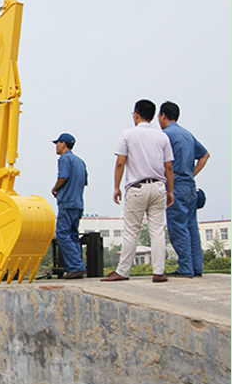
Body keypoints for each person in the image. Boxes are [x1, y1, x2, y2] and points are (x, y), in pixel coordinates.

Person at [103, 99, 174, 283]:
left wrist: (116, 187)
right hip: (158, 186)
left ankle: (123, 271)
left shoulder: (127, 135)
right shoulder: (162, 137)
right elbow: (168, 167)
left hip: (137, 188)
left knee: (131, 231)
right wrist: (170, 191)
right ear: (153, 116)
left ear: (136, 115)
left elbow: (120, 162)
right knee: (157, 230)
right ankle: (159, 272)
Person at [158, 101, 210, 278]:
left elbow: (165, 165)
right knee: (191, 227)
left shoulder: (166, 136)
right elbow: (205, 155)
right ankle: (196, 267)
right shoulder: (187, 134)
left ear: (163, 116)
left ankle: (185, 268)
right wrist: (192, 174)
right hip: (189, 185)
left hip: (176, 185)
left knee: (178, 227)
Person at [51, 133, 88, 279]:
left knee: (62, 234)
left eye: (58, 143)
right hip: (78, 203)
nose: (56, 146)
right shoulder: (80, 161)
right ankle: (77, 266)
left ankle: (76, 266)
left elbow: (63, 177)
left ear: (64, 144)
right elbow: (83, 182)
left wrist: (55, 189)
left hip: (67, 203)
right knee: (73, 235)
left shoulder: (64, 159)